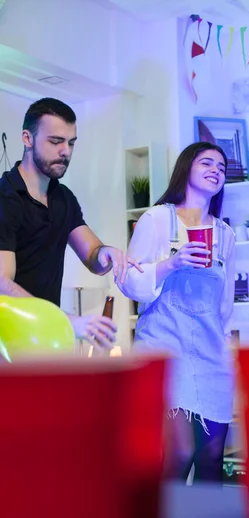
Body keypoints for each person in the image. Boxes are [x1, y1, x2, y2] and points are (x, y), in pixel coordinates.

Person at [118, 142, 236, 483]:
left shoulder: (225, 235)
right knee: (178, 454)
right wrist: (172, 263)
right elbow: (129, 281)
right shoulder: (157, 219)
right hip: (167, 351)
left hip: (212, 357)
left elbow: (224, 303)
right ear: (186, 168)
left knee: (213, 456)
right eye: (207, 163)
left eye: (221, 167)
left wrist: (226, 348)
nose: (216, 170)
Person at [0, 97, 142, 350]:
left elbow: (93, 257)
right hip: (7, 344)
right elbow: (2, 285)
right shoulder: (5, 197)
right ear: (27, 138)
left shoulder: (62, 198)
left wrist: (106, 254)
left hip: (43, 338)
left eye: (71, 143)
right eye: (55, 141)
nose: (65, 151)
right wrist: (68, 321)